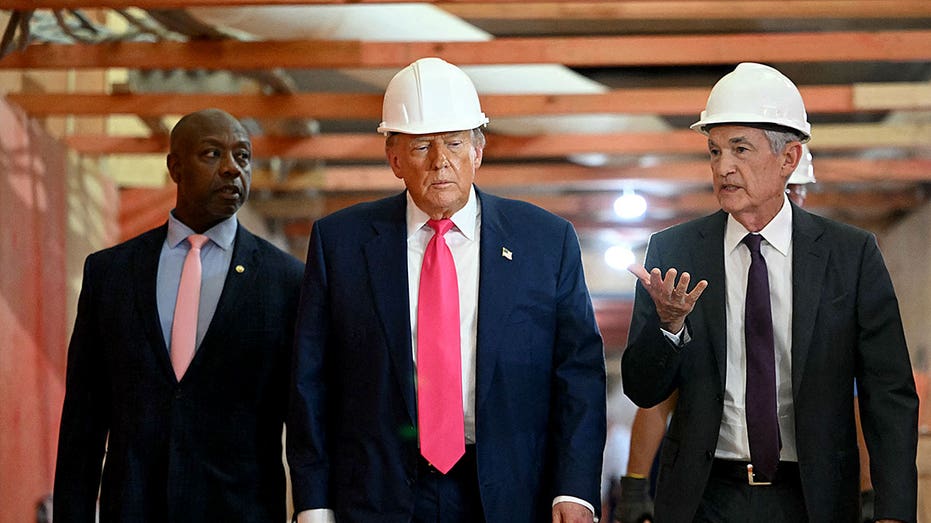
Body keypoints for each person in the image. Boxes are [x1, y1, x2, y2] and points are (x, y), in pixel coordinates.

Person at [287, 57, 607, 523]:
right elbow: (310, 381)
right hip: (378, 495)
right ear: (394, 159)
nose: (440, 161)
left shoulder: (545, 241)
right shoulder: (340, 244)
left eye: (454, 143)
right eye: (421, 146)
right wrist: (314, 504)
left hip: (510, 494)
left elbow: (578, 373)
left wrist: (574, 490)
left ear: (478, 150)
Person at [622, 62, 918, 522]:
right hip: (704, 499)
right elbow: (643, 390)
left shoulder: (850, 255)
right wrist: (669, 327)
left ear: (789, 159)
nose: (723, 167)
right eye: (715, 151)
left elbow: (888, 394)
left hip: (813, 498)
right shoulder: (674, 252)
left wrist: (893, 511)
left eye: (740, 149)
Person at [53, 108, 304, 522]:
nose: (232, 168)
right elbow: (84, 416)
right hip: (133, 508)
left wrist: (313, 510)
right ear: (175, 167)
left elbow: (304, 419)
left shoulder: (287, 281)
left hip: (240, 511)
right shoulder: (110, 273)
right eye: (212, 154)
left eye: (242, 156)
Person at [610, 143, 817, 523]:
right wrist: (635, 484)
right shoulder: (698, 265)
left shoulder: (831, 269)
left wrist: (873, 494)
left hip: (803, 487)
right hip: (712, 487)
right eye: (716, 152)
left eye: (794, 191)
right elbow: (659, 398)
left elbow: (859, 402)